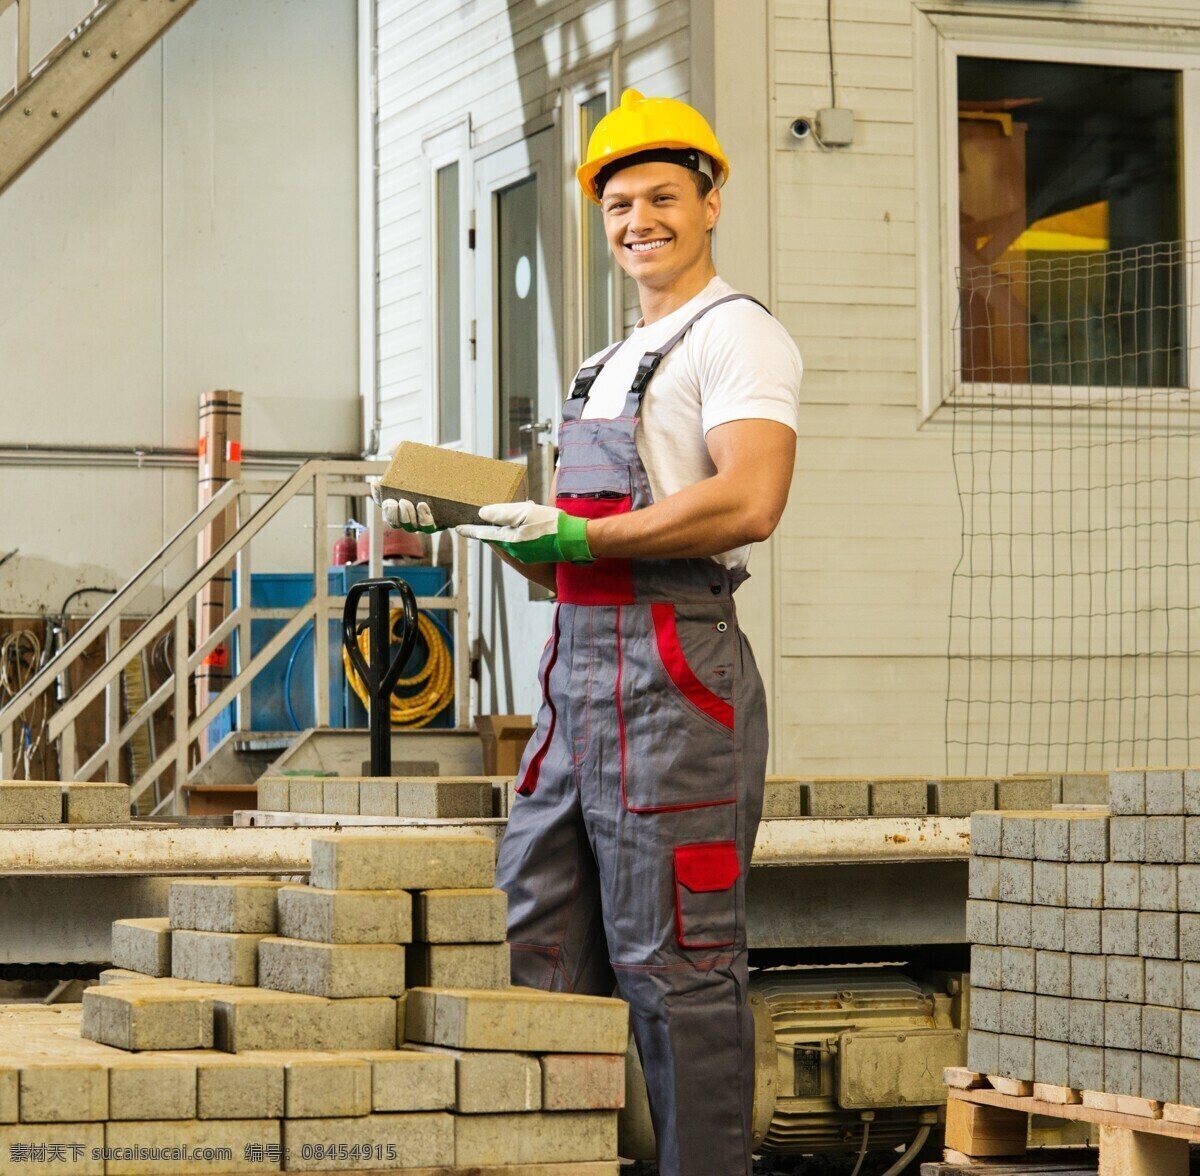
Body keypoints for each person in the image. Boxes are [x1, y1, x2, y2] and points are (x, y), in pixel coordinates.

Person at [377, 89, 802, 1176]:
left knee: (679, 968)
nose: (637, 220)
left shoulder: (738, 335)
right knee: (535, 946)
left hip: (673, 675)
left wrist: (577, 541)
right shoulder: (601, 362)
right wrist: (489, 526)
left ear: (711, 201)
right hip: (578, 684)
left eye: (662, 196)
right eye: (618, 203)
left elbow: (750, 502)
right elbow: (576, 539)